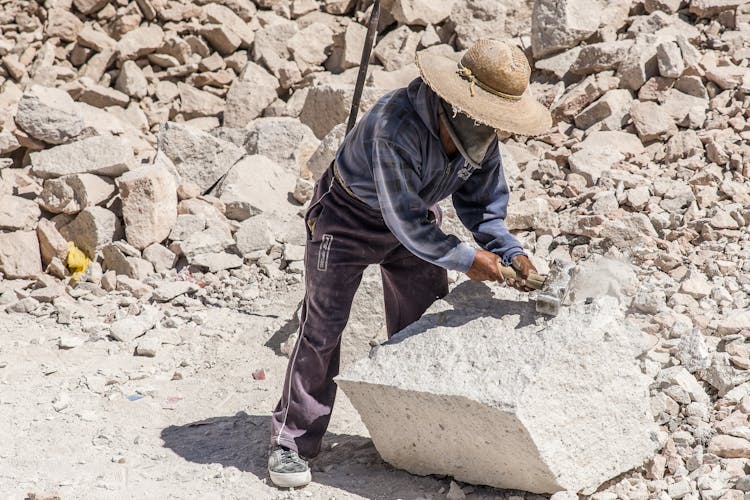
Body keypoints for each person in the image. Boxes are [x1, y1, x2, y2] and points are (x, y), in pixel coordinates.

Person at [267, 39, 553, 488]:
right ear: (454, 103)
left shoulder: (480, 133)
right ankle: (291, 442)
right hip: (347, 220)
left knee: (423, 326)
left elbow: (483, 209)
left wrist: (509, 251)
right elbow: (404, 223)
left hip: (416, 218)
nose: (491, 129)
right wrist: (468, 259)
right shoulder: (392, 126)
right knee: (322, 329)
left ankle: (417, 435)